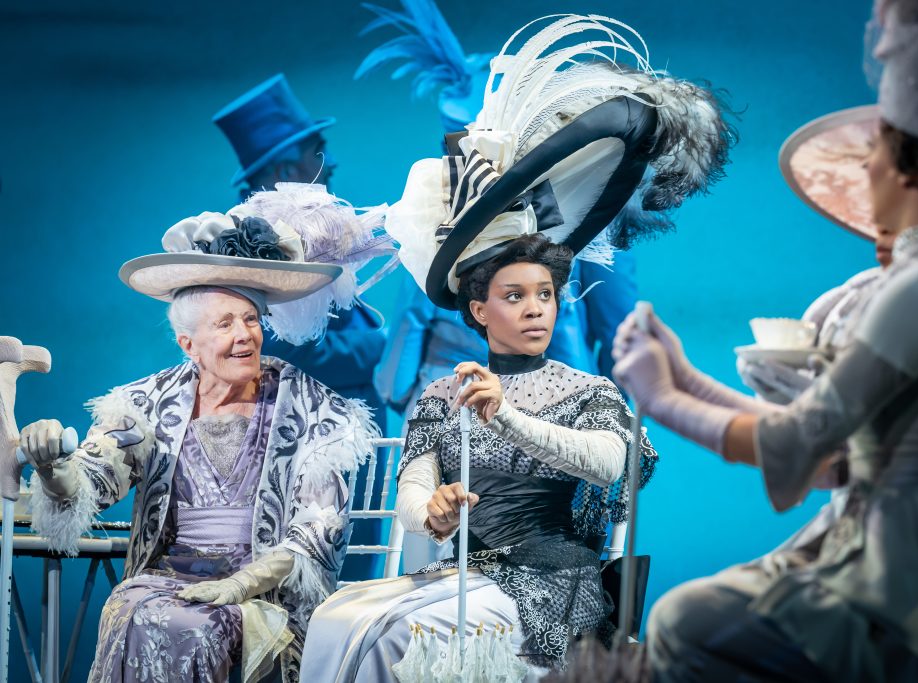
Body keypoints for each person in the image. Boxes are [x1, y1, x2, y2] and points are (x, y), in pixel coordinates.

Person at [301, 14, 737, 680]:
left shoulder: (586, 391)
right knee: (341, 620)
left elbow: (605, 458)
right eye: (514, 295)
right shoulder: (439, 395)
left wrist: (507, 412)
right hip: (460, 567)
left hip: (551, 579)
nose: (535, 307)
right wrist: (432, 507)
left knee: (402, 635)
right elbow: (416, 483)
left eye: (544, 294)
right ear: (480, 306)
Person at [612, 2, 918, 680]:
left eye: (875, 158)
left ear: (910, 175)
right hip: (904, 540)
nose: (863, 176)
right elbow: (826, 443)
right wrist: (682, 373)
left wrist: (661, 397)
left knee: (684, 622)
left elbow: (797, 442)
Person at [20, 184, 388, 682]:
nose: (245, 336)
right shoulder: (146, 403)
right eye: (225, 324)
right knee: (133, 610)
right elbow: (92, 482)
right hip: (164, 581)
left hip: (264, 593)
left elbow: (317, 531)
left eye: (251, 320)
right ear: (187, 343)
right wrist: (54, 467)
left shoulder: (312, 407)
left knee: (192, 625)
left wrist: (239, 585)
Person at [215, 75, 392, 581]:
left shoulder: (313, 232)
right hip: (305, 445)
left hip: (347, 440)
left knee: (353, 588)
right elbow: (281, 349)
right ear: (283, 168)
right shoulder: (250, 251)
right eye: (318, 151)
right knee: (310, 590)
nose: (329, 163)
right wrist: (382, 348)